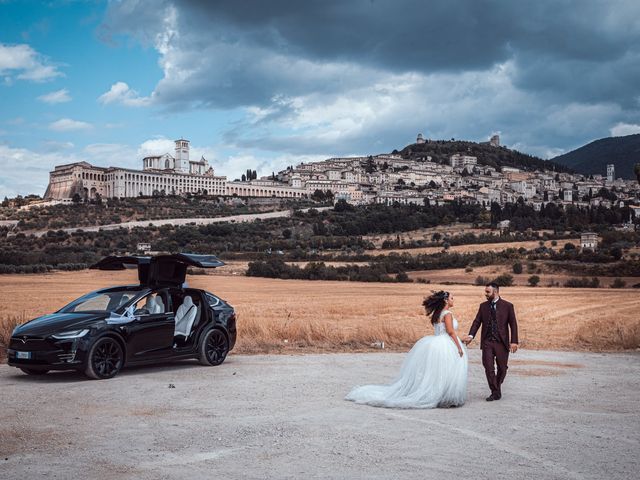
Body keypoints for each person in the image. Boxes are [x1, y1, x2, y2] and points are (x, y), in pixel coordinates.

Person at [345, 291, 468, 409]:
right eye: (452, 298)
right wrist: (458, 346)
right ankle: (444, 397)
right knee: (446, 370)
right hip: (444, 344)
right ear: (446, 300)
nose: (453, 300)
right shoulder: (447, 314)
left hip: (435, 342)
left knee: (436, 372)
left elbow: (442, 330)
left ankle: (440, 395)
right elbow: (450, 332)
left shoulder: (437, 314)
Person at [462, 282, 518, 401]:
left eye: (488, 292)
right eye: (485, 291)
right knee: (488, 367)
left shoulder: (508, 306)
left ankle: (496, 389)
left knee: (502, 368)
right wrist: (471, 335)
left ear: (495, 292)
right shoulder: (483, 306)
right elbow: (477, 321)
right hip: (487, 342)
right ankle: (494, 392)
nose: (485, 294)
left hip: (502, 343)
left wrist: (514, 341)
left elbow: (513, 324)